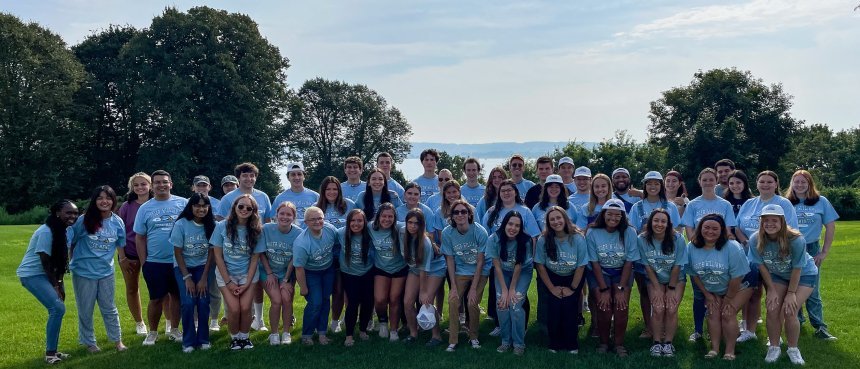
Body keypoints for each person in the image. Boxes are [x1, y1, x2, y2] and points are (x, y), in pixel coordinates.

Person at [748, 204, 817, 365]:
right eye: (766, 220)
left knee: (790, 310)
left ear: (782, 222)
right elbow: (761, 266)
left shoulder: (796, 239)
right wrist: (771, 289)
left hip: (804, 275)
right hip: (777, 275)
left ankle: (793, 349)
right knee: (772, 308)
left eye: (774, 220)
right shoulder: (755, 239)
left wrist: (791, 293)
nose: (770, 224)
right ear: (761, 222)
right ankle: (774, 347)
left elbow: (797, 268)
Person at [735, 170, 798, 341]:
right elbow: (737, 227)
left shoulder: (784, 204)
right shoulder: (749, 203)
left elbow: (790, 229)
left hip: (775, 258)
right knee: (752, 293)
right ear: (756, 184)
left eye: (769, 182)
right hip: (751, 256)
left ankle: (775, 334)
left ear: (776, 184)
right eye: (762, 181)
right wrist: (748, 243)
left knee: (775, 296)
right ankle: (749, 330)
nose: (765, 184)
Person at [679, 168, 738, 342]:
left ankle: (722, 324)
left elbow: (727, 230)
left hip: (719, 251)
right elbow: (689, 228)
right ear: (700, 181)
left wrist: (720, 247)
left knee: (721, 290)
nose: (708, 182)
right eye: (704, 179)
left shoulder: (724, 204)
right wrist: (696, 246)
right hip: (698, 252)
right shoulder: (693, 204)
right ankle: (698, 330)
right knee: (699, 294)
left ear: (716, 180)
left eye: (711, 179)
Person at [17, 200, 78, 364]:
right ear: (58, 213)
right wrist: (56, 285)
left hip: (49, 274)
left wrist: (60, 282)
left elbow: (60, 260)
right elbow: (46, 261)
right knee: (57, 308)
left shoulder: (66, 231)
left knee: (58, 310)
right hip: (32, 274)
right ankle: (50, 354)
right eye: (68, 212)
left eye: (75, 213)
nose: (72, 216)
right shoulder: (46, 231)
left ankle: (54, 351)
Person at [69, 186, 127, 353]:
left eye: (108, 198)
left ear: (113, 201)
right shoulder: (83, 220)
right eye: (100, 198)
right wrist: (70, 261)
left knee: (109, 307)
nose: (104, 201)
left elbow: (120, 245)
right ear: (94, 201)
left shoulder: (117, 222)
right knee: (85, 309)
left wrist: (123, 261)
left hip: (106, 272)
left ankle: (117, 341)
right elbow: (71, 242)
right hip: (83, 272)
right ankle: (90, 343)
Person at [686, 214, 751, 361]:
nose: (710, 231)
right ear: (699, 229)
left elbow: (737, 277)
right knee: (713, 312)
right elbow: (694, 274)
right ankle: (714, 349)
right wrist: (707, 295)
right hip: (713, 289)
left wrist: (728, 299)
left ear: (722, 230)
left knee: (728, 313)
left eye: (715, 228)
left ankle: (730, 350)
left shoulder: (732, 247)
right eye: (706, 227)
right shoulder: (691, 247)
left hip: (741, 285)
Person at [134, 170, 187, 345]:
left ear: (171, 184)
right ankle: (153, 332)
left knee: (177, 297)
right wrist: (144, 262)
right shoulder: (145, 208)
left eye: (165, 182)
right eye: (157, 182)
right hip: (155, 262)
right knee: (155, 298)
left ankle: (175, 330)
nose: (161, 185)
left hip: (179, 262)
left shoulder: (183, 203)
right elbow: (140, 237)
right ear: (152, 186)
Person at [785, 170, 838, 340]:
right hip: (790, 248)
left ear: (810, 184)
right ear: (792, 184)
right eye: (796, 182)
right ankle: (797, 321)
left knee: (812, 288)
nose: (799, 185)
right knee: (792, 286)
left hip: (812, 247)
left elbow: (830, 226)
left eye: (803, 182)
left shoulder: (821, 202)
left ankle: (819, 327)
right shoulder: (786, 203)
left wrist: (824, 252)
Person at [628, 171, 682, 339]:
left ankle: (665, 327)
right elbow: (632, 230)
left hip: (666, 255)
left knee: (667, 293)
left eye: (656, 183)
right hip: (645, 254)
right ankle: (649, 327)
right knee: (645, 291)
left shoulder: (670, 206)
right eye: (649, 183)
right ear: (644, 186)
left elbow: (678, 230)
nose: (653, 187)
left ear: (661, 186)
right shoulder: (637, 207)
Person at [210, 194, 265, 349]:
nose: (244, 210)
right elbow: (218, 256)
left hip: (248, 274)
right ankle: (235, 338)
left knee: (246, 308)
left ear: (253, 211)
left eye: (249, 208)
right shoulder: (222, 226)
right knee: (234, 309)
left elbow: (255, 258)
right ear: (234, 207)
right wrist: (228, 281)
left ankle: (245, 338)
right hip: (225, 274)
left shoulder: (256, 230)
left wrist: (248, 282)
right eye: (241, 206)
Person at [586, 199, 640, 357]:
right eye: (610, 214)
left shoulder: (629, 231)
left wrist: (621, 289)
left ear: (623, 216)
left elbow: (629, 262)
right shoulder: (593, 232)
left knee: (621, 305)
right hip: (600, 272)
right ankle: (603, 342)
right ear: (603, 214)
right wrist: (603, 289)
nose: (613, 218)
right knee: (604, 306)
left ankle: (618, 343)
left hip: (622, 271)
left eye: (618, 215)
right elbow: (594, 263)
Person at [536, 207, 587, 354]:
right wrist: (552, 288)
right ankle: (554, 343)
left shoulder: (578, 238)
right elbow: (540, 265)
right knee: (554, 308)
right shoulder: (543, 239)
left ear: (565, 219)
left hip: (573, 276)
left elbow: (581, 265)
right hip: (552, 276)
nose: (556, 221)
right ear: (548, 223)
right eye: (552, 219)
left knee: (570, 307)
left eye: (559, 218)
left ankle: (572, 343)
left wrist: (572, 288)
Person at [637, 209, 687, 357]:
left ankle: (668, 344)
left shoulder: (678, 239)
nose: (659, 224)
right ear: (650, 222)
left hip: (676, 278)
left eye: (663, 221)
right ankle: (657, 342)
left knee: (671, 308)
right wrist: (658, 288)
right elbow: (647, 266)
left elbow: (678, 265)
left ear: (668, 224)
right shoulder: (642, 239)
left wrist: (671, 288)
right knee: (658, 308)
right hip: (654, 278)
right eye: (656, 220)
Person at [169, 192, 216, 353]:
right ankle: (188, 341)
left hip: (203, 267)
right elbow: (177, 252)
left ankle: (203, 339)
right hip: (183, 267)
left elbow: (211, 253)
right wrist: (187, 278)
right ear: (191, 207)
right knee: (188, 302)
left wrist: (203, 278)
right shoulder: (181, 224)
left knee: (203, 301)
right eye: (197, 205)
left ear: (208, 207)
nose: (201, 209)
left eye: (204, 206)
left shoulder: (211, 225)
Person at [442, 200, 489, 352]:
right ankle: (453, 340)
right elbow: (449, 260)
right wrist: (453, 287)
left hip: (479, 271)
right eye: (456, 212)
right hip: (460, 271)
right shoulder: (447, 233)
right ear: (452, 216)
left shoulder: (480, 231)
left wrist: (473, 289)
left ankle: (473, 337)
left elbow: (481, 261)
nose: (460, 214)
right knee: (453, 300)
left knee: (472, 302)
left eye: (463, 211)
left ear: (469, 214)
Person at [488, 211, 534, 355]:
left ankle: (519, 343)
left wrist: (512, 289)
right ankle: (506, 341)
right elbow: (496, 266)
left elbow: (519, 266)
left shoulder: (526, 240)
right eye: (510, 224)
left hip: (522, 272)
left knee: (515, 303)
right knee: (502, 303)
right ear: (505, 224)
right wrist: (504, 290)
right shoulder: (494, 238)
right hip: (502, 272)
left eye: (517, 226)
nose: (513, 228)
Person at [293, 206, 339, 346]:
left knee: (325, 301)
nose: (317, 221)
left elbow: (338, 243)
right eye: (313, 219)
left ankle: (322, 333)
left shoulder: (330, 230)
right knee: (315, 303)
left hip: (328, 270)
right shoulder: (301, 243)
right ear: (306, 222)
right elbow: (299, 268)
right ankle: (307, 335)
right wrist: (303, 287)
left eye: (320, 218)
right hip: (310, 273)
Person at [315, 176, 354, 333]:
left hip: (346, 254)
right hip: (324, 255)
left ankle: (335, 321)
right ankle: (319, 321)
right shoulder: (317, 208)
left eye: (335, 189)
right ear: (323, 191)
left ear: (340, 191)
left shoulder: (349, 206)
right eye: (328, 189)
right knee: (323, 292)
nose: (331, 192)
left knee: (340, 290)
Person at [259, 202, 301, 345]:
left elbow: (294, 258)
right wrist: (270, 273)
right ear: (276, 215)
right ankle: (274, 333)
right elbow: (261, 253)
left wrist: (286, 279)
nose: (284, 217)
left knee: (287, 299)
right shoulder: (266, 229)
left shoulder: (298, 233)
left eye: (289, 214)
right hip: (267, 271)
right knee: (276, 300)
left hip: (286, 272)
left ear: (293, 217)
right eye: (282, 213)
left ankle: (286, 333)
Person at [117, 172, 154, 335]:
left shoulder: (156, 203)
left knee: (162, 289)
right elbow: (119, 232)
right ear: (132, 188)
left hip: (153, 253)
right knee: (132, 288)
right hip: (130, 253)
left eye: (143, 184)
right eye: (136, 185)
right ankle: (139, 323)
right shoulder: (126, 206)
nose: (140, 187)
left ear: (150, 185)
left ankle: (169, 323)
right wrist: (122, 256)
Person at [401, 209, 445, 344]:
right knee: (407, 302)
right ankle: (414, 333)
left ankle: (436, 336)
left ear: (422, 225)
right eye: (410, 222)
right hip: (415, 269)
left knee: (427, 301)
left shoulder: (425, 243)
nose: (413, 226)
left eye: (416, 223)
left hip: (433, 269)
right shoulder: (402, 231)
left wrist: (423, 291)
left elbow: (424, 270)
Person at [369, 202, 407, 341]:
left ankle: (394, 330)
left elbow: (419, 230)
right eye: (384, 216)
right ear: (378, 217)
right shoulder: (371, 227)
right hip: (381, 268)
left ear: (395, 218)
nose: (387, 219)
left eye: (390, 216)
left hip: (399, 268)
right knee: (379, 299)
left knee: (394, 299)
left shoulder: (400, 228)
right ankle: (383, 322)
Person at [338, 209, 375, 346]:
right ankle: (349, 335)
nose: (356, 223)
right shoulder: (340, 233)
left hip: (367, 272)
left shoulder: (370, 234)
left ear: (365, 222)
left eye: (360, 220)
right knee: (352, 303)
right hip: (349, 273)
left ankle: (363, 330)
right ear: (348, 222)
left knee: (368, 302)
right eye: (353, 220)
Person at [271, 162, 319, 227]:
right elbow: (274, 220)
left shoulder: (315, 196)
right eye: (293, 175)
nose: (296, 177)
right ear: (288, 178)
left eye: (299, 174)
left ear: (304, 176)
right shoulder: (280, 198)